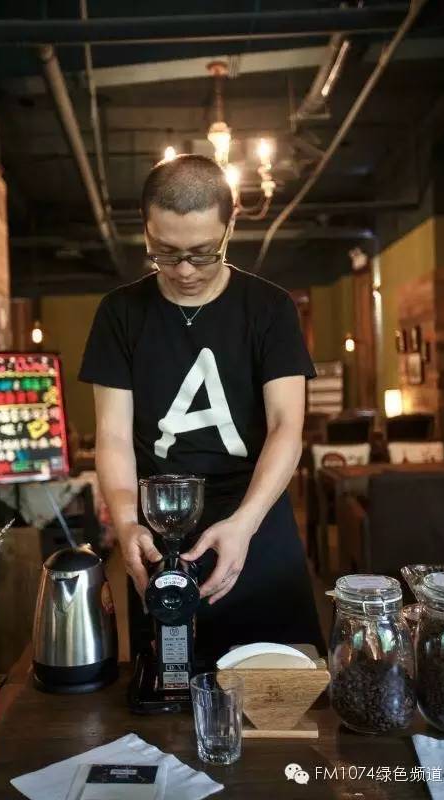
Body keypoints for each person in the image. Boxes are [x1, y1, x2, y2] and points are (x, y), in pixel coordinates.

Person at [79, 154, 325, 661]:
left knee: (282, 678)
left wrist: (245, 522)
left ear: (229, 228)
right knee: (170, 683)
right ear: (145, 230)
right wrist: (125, 523)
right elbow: (114, 436)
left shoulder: (270, 308)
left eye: (202, 253)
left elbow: (286, 426)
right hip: (159, 527)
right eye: (165, 253)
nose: (185, 270)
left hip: (255, 514)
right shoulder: (120, 314)